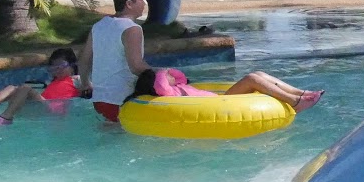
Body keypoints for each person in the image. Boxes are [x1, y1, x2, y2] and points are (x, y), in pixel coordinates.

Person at [0, 48, 85, 127]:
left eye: (61, 65)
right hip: (40, 107)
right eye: (53, 67)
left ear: (72, 65)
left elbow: (90, 86)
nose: (57, 70)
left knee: (25, 88)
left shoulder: (77, 80)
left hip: (53, 112)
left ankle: (6, 118)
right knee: (11, 88)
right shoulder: (53, 82)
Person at [81, 0, 150, 123]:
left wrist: (86, 83)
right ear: (129, 4)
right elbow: (136, 66)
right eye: (141, 0)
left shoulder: (99, 25)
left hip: (99, 100)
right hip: (121, 100)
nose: (144, 4)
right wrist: (162, 74)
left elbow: (84, 59)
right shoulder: (131, 29)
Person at [129, 68, 324, 112]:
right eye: (165, 75)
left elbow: (176, 78)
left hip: (220, 98)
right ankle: (294, 103)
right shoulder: (168, 93)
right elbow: (162, 84)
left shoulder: (178, 86)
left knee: (258, 73)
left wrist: (171, 77)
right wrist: (162, 75)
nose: (171, 74)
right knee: (252, 79)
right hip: (217, 104)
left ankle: (300, 93)